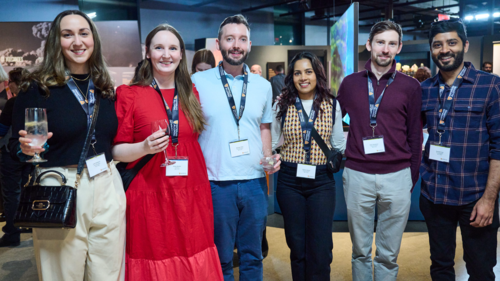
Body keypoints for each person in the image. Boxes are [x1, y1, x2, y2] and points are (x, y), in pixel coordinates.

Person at [9, 10, 126, 280]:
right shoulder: (36, 88)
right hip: (58, 184)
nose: (77, 41)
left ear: (93, 39)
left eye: (84, 33)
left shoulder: (104, 87)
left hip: (107, 182)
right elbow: (16, 145)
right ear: (55, 41)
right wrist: (25, 149)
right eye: (67, 34)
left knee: (108, 273)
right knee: (61, 274)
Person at [111, 24, 223, 281]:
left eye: (172, 48)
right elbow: (115, 151)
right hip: (149, 194)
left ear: (181, 54)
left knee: (193, 253)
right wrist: (144, 148)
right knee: (155, 254)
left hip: (192, 192)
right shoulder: (130, 95)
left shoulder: (190, 93)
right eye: (159, 47)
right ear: (147, 52)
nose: (166, 54)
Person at [191, 14, 280, 281]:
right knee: (221, 258)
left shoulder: (263, 86)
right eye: (230, 39)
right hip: (215, 182)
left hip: (254, 181)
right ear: (219, 43)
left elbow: (264, 127)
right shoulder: (198, 82)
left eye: (242, 39)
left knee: (253, 256)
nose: (236, 45)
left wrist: (268, 158)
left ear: (250, 44)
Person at [337, 20, 422, 281]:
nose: (385, 49)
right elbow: (337, 124)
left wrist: (411, 176)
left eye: (392, 44)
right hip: (357, 174)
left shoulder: (410, 86)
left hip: (397, 175)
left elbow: (415, 135)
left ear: (399, 48)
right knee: (360, 251)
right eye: (380, 42)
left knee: (388, 254)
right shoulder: (350, 84)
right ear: (369, 45)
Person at [420, 19, 500, 281]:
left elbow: (499, 148)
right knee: (440, 267)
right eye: (438, 45)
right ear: (431, 50)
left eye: (451, 43)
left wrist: (489, 200)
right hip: (435, 195)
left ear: (465, 45)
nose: (445, 50)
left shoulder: (490, 86)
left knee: (480, 268)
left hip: (475, 198)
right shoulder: (424, 90)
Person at [271, 51, 346, 280]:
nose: (303, 77)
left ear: (317, 74)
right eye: (297, 73)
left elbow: (339, 145)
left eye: (308, 72)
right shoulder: (281, 105)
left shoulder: (332, 105)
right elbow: (274, 142)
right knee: (297, 245)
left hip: (321, 182)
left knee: (321, 247)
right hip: (289, 181)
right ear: (291, 77)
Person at [0, 68, 30, 247]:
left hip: (11, 153)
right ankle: (28, 224)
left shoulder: (13, 103)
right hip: (32, 153)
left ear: (14, 83)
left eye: (9, 82)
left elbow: (2, 130)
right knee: (28, 190)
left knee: (12, 193)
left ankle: (12, 233)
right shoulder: (37, 100)